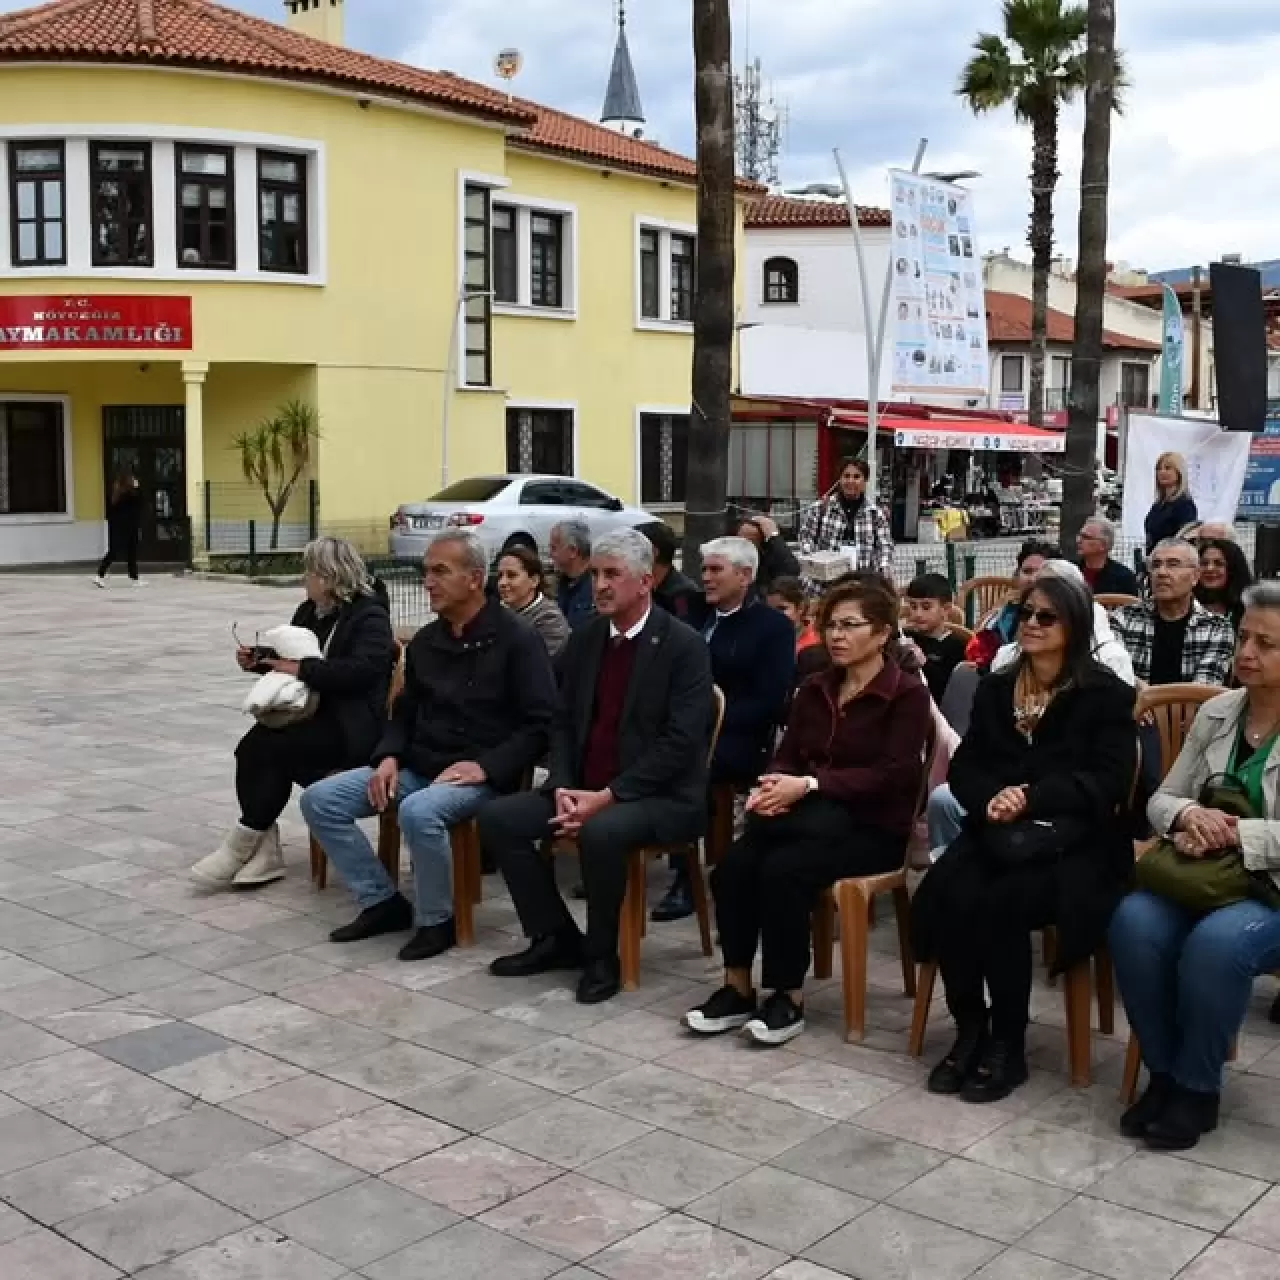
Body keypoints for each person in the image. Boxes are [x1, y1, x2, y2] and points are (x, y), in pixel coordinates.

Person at [911, 572, 1137, 1102]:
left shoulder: (1105, 694)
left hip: (1073, 841)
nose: (1031, 624)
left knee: (999, 903)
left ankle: (1008, 1043)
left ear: (1074, 626)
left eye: (1046, 617)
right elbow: (966, 766)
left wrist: (1030, 798)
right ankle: (971, 1028)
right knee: (948, 891)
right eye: (1024, 614)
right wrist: (994, 798)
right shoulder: (997, 687)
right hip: (1000, 832)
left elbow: (1108, 781)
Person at [684, 577, 931, 1046]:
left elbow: (895, 775)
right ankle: (737, 987)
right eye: (831, 625)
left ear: (882, 632)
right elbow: (788, 755)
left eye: (850, 625)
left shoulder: (906, 695)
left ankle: (787, 996)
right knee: (734, 866)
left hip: (873, 828)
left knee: (783, 870)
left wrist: (812, 785)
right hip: (809, 819)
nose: (836, 635)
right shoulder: (816, 688)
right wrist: (773, 784)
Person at [480, 528, 713, 1004]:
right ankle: (555, 936)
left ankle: (602, 956)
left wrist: (607, 797)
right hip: (585, 787)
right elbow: (561, 721)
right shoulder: (587, 638)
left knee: (601, 832)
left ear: (645, 582)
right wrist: (564, 785)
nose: (600, 586)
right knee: (498, 817)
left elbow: (680, 743)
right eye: (595, 575)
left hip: (660, 796)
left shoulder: (682, 646)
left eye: (613, 575)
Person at [300, 531, 556, 962]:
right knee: (320, 800)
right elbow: (403, 712)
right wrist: (388, 757)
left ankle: (438, 920)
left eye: (440, 571)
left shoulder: (517, 640)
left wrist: (487, 767)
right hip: (419, 765)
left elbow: (541, 724)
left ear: (475, 578)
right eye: (426, 572)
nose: (428, 582)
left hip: (480, 776)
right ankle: (382, 901)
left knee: (420, 811)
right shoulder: (426, 642)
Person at [1109, 582, 1280, 1151]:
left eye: (1266, 644)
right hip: (1200, 875)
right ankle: (1165, 1074)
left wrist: (1233, 833)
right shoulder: (1217, 712)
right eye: (1244, 637)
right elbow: (1162, 797)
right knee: (1133, 922)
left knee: (1217, 945)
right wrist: (1188, 816)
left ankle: (1197, 1088)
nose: (1247, 653)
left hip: (1268, 888)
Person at [191, 537, 396, 891]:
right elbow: (294, 659)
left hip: (350, 725)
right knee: (251, 748)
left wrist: (299, 668)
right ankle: (263, 847)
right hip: (312, 714)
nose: (305, 579)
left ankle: (244, 844)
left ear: (329, 576)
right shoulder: (309, 612)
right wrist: (261, 659)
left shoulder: (369, 615)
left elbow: (361, 672)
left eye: (310, 572)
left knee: (270, 750)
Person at [652, 537, 796, 923]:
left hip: (738, 737)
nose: (706, 578)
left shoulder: (772, 627)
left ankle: (687, 878)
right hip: (683, 728)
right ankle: (619, 848)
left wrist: (706, 723)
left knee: (684, 769)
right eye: (704, 569)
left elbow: (769, 700)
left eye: (716, 570)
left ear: (745, 576)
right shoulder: (692, 612)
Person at [1111, 539, 1235, 687]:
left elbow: (1204, 689)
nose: (1161, 572)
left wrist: (1148, 695)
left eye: (1173, 564)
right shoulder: (1122, 618)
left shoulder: (1217, 628)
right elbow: (1115, 675)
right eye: (1156, 565)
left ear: (1195, 576)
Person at [965, 539, 1061, 670]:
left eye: (1041, 572)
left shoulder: (1065, 618)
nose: (1032, 578)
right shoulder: (1002, 616)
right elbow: (978, 654)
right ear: (1016, 576)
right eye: (1027, 571)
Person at [798, 457, 894, 576]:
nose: (850, 481)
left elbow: (885, 546)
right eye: (846, 476)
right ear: (840, 479)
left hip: (861, 582)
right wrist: (817, 563)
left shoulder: (875, 514)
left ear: (865, 481)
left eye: (856, 477)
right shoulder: (820, 508)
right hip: (825, 582)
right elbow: (805, 537)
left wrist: (882, 571)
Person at [495, 543, 570, 658]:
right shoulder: (495, 612)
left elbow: (536, 663)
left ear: (534, 581)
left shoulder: (550, 620)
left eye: (512, 575)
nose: (502, 583)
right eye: (500, 576)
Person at [902, 572, 967, 701]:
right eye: (913, 606)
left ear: (946, 609)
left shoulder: (957, 646)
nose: (918, 614)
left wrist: (924, 663)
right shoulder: (904, 638)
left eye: (926, 607)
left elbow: (949, 691)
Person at [637, 520, 702, 622]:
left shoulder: (683, 594)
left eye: (635, 549)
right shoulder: (644, 587)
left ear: (653, 552)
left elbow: (684, 627)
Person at [95, 468, 143, 587]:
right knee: (127, 552)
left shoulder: (117, 494)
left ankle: (133, 578)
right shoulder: (130, 494)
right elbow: (139, 503)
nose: (135, 480)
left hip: (119, 527)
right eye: (133, 479)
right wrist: (137, 487)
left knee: (118, 552)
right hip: (128, 527)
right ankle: (100, 575)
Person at [1195, 536, 1253, 631]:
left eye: (1218, 563)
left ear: (1233, 569)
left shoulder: (1250, 610)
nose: (1209, 568)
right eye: (1204, 563)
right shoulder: (1186, 607)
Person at [1145, 451, 1198, 554]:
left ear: (1179, 472)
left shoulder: (1185, 505)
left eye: (1167, 468)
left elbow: (1186, 539)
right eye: (1158, 469)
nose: (1162, 472)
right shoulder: (1158, 505)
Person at [1075, 516, 1140, 598]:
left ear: (1103, 545)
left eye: (1086, 537)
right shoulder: (1071, 572)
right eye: (1079, 535)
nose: (1078, 540)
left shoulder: (1124, 578)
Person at [738, 514, 801, 594]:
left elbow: (791, 570)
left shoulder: (767, 562)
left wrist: (774, 536)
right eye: (740, 538)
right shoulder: (731, 559)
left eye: (750, 540)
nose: (743, 545)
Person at [551, 519, 595, 630]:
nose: (550, 554)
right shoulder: (561, 583)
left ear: (573, 551)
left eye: (554, 548)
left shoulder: (596, 587)